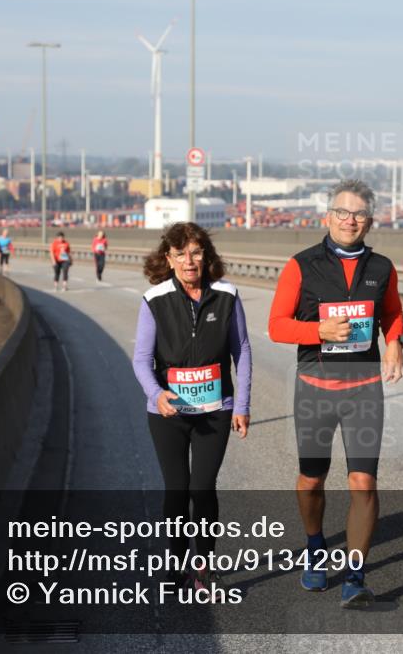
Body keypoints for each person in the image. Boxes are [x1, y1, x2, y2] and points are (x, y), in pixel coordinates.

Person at [268, 178, 403, 609]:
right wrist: (318, 330)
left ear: (369, 221)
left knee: (363, 482)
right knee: (312, 478)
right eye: (342, 213)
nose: (350, 220)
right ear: (327, 217)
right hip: (314, 388)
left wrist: (396, 341)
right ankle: (314, 547)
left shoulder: (382, 268)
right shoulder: (301, 265)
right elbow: (276, 325)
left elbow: (392, 313)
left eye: (359, 213)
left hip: (363, 390)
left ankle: (355, 574)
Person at [132, 222, 251, 594]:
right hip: (169, 413)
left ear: (206, 256)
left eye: (196, 252)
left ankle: (203, 568)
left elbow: (242, 351)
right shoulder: (155, 300)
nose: (189, 261)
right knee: (176, 490)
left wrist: (241, 405)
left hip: (215, 409)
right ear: (167, 258)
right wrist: (157, 394)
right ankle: (178, 564)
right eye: (180, 253)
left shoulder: (227, 295)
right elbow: (140, 359)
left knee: (203, 488)